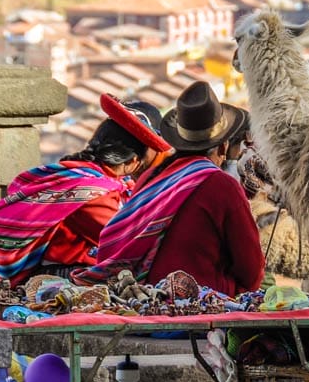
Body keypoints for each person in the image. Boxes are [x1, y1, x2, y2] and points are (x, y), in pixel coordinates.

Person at [73, 81, 265, 296]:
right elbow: (251, 271)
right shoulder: (222, 185)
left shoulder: (150, 179)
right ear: (223, 146)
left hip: (146, 298)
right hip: (204, 301)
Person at [0, 95, 169, 288]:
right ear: (133, 160)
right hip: (66, 279)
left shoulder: (76, 175)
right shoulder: (96, 193)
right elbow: (122, 239)